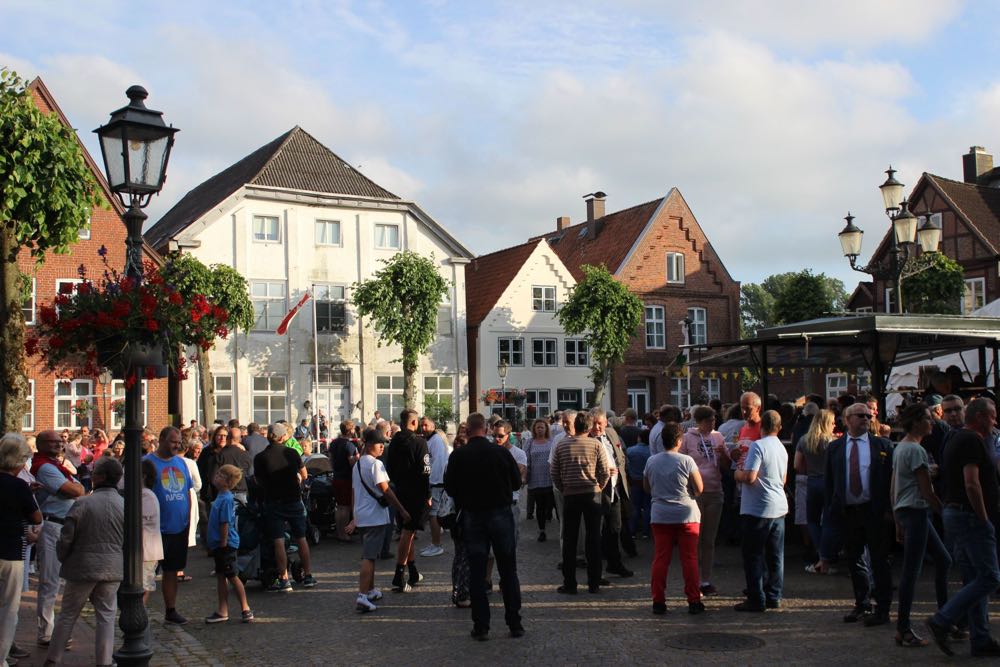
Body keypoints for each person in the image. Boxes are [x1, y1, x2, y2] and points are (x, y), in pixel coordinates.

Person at [926, 398, 1000, 657]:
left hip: (956, 513)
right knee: (990, 576)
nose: (995, 421)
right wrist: (984, 517)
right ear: (980, 417)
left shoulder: (956, 438)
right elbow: (971, 483)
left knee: (974, 576)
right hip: (969, 515)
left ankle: (980, 637)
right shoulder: (971, 440)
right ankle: (943, 619)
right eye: (992, 416)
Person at [445, 413, 524, 641]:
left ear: (468, 430)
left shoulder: (459, 455)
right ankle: (515, 623)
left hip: (473, 516)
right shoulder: (501, 452)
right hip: (500, 513)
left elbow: (450, 488)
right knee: (508, 569)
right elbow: (516, 483)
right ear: (486, 429)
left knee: (477, 571)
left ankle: (481, 626)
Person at [817, 402, 895, 626]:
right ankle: (862, 603)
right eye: (861, 415)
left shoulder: (882, 445)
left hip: (874, 511)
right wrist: (832, 510)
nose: (866, 419)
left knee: (879, 560)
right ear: (847, 419)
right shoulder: (835, 448)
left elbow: (890, 480)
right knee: (855, 559)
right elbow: (829, 482)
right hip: (849, 512)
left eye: (869, 416)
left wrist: (889, 510)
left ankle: (883, 608)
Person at [42, 457, 124, 667]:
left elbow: (66, 537)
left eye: (94, 473)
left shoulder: (83, 503)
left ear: (100, 477)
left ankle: (53, 658)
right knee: (106, 616)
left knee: (68, 614)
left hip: (82, 565)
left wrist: (63, 556)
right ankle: (104, 661)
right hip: (112, 566)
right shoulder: (124, 505)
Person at [891, 403, 950, 648]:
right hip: (916, 511)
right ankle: (904, 628)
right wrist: (945, 513)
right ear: (916, 422)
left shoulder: (901, 447)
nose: (932, 422)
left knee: (943, 560)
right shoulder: (916, 450)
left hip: (907, 511)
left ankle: (947, 617)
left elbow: (894, 485)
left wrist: (896, 518)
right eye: (927, 418)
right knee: (911, 571)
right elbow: (926, 491)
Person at [345, 429, 410, 613]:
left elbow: (354, 493)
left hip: (362, 516)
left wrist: (354, 517)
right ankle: (362, 596)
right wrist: (402, 510)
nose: (382, 447)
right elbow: (386, 490)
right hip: (374, 517)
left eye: (383, 444)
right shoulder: (376, 464)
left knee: (370, 554)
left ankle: (371, 590)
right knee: (369, 557)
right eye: (379, 443)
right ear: (368, 445)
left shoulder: (357, 465)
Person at [31, 429, 85, 646]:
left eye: (60, 442)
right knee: (50, 581)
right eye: (52, 442)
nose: (59, 445)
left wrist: (75, 488)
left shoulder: (57, 466)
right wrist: (75, 489)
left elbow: (78, 488)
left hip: (65, 526)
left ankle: (58, 630)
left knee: (63, 582)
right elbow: (75, 490)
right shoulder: (45, 467)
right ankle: (46, 632)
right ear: (41, 445)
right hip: (52, 525)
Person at [645, 422, 704, 614]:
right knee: (689, 558)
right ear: (679, 440)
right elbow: (699, 488)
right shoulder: (686, 461)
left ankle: (658, 600)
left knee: (661, 558)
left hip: (661, 514)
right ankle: (694, 600)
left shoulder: (651, 461)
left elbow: (646, 487)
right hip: (686, 514)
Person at [734, 410, 788, 612]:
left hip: (758, 507)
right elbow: (783, 479)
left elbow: (750, 476)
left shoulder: (758, 446)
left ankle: (756, 598)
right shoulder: (782, 448)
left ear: (762, 426)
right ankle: (774, 595)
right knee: (775, 555)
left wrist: (737, 474)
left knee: (753, 554)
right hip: (779, 506)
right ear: (779, 427)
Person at [551, 411, 610, 594]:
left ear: (575, 425)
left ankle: (570, 583)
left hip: (571, 495)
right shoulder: (596, 445)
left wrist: (563, 488)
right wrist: (599, 486)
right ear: (589, 427)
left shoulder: (562, 445)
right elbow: (605, 471)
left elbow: (554, 472)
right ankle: (594, 582)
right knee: (593, 539)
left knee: (570, 540)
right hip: (592, 495)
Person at [253, 423, 316, 592]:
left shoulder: (260, 457)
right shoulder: (292, 453)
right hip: (293, 499)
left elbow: (257, 480)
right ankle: (308, 575)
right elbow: (304, 474)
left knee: (278, 540)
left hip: (273, 501)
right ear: (282, 437)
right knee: (301, 537)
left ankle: (284, 578)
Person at [144, 426, 195, 625]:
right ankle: (138, 612)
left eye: (179, 442)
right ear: (162, 439)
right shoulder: (147, 463)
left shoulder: (181, 463)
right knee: (147, 574)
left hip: (178, 527)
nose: (177, 445)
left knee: (172, 570)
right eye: (173, 441)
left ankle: (171, 610)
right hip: (154, 529)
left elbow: (187, 492)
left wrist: (187, 520)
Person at [1, 434, 42, 666]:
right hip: (10, 551)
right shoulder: (19, 485)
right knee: (8, 609)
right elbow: (36, 516)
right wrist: (28, 495)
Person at [680, 405, 727, 596]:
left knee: (709, 539)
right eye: (708, 420)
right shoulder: (688, 438)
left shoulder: (718, 437)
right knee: (695, 539)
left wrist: (724, 455)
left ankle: (706, 580)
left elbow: (725, 466)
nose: (712, 423)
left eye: (714, 420)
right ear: (699, 422)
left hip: (715, 491)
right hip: (695, 493)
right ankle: (693, 579)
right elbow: (681, 462)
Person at [384, 409, 431, 592]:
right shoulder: (419, 442)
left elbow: (389, 468)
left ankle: (412, 571)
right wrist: (428, 495)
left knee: (407, 531)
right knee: (408, 532)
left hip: (399, 491)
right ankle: (399, 574)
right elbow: (425, 470)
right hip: (416, 492)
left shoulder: (393, 442)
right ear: (413, 422)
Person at [204, 464, 253, 624]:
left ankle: (245, 608)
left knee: (232, 576)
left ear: (227, 482)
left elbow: (224, 523)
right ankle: (222, 610)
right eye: (217, 473)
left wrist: (223, 544)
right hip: (219, 544)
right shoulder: (221, 497)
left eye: (220, 475)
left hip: (225, 545)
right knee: (222, 576)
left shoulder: (225, 499)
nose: (216, 476)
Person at [591, 409, 632, 578]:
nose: (596, 427)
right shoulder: (586, 440)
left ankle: (614, 563)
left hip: (615, 488)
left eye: (600, 423)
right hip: (597, 490)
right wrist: (602, 472)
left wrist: (619, 468)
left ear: (606, 422)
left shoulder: (612, 434)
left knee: (615, 526)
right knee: (597, 530)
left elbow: (621, 455)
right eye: (593, 423)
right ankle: (597, 570)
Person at [797, 409, 835, 574]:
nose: (834, 425)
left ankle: (820, 554)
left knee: (812, 520)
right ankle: (825, 558)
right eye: (832, 422)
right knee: (827, 521)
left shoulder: (804, 440)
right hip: (828, 483)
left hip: (811, 482)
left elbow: (797, 465)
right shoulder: (832, 442)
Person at [421, 417, 451, 557]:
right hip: (433, 483)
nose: (423, 428)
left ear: (433, 426)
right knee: (432, 514)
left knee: (433, 514)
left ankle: (436, 545)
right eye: (422, 425)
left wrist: (431, 483)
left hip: (435, 484)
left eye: (426, 425)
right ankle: (434, 543)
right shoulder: (430, 440)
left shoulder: (436, 440)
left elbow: (438, 463)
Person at [524, 419, 555, 542]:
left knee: (550, 505)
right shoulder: (530, 442)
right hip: (535, 479)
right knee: (540, 506)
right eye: (538, 427)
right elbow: (526, 460)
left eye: (542, 427)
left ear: (546, 429)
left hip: (549, 479)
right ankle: (542, 530)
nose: (540, 429)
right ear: (534, 429)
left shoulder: (552, 441)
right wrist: (525, 475)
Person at [329, 420, 359, 543]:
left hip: (336, 477)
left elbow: (331, 460)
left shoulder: (333, 443)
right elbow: (352, 463)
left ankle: (339, 532)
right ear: (350, 430)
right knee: (346, 507)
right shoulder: (349, 445)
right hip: (346, 478)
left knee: (339, 506)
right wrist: (357, 458)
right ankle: (344, 534)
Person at [140, 460, 163, 609]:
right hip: (142, 551)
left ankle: (139, 616)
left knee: (143, 586)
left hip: (146, 551)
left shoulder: (146, 496)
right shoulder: (143, 494)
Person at [626, 429, 652, 541]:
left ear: (639, 438)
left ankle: (632, 531)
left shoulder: (630, 450)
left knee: (635, 507)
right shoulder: (651, 451)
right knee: (647, 507)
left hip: (635, 482)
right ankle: (646, 532)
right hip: (648, 482)